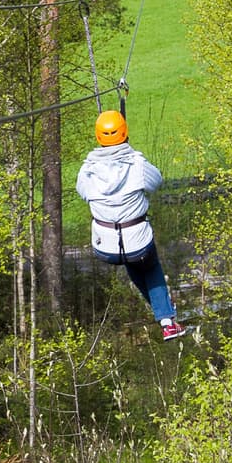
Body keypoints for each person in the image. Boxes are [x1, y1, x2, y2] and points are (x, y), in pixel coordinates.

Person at [76, 110, 187, 341]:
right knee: (148, 266)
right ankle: (167, 320)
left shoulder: (87, 170)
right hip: (137, 243)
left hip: (106, 247)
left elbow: (83, 193)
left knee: (133, 261)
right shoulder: (136, 165)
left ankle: (165, 314)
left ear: (98, 137)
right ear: (125, 133)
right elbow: (156, 181)